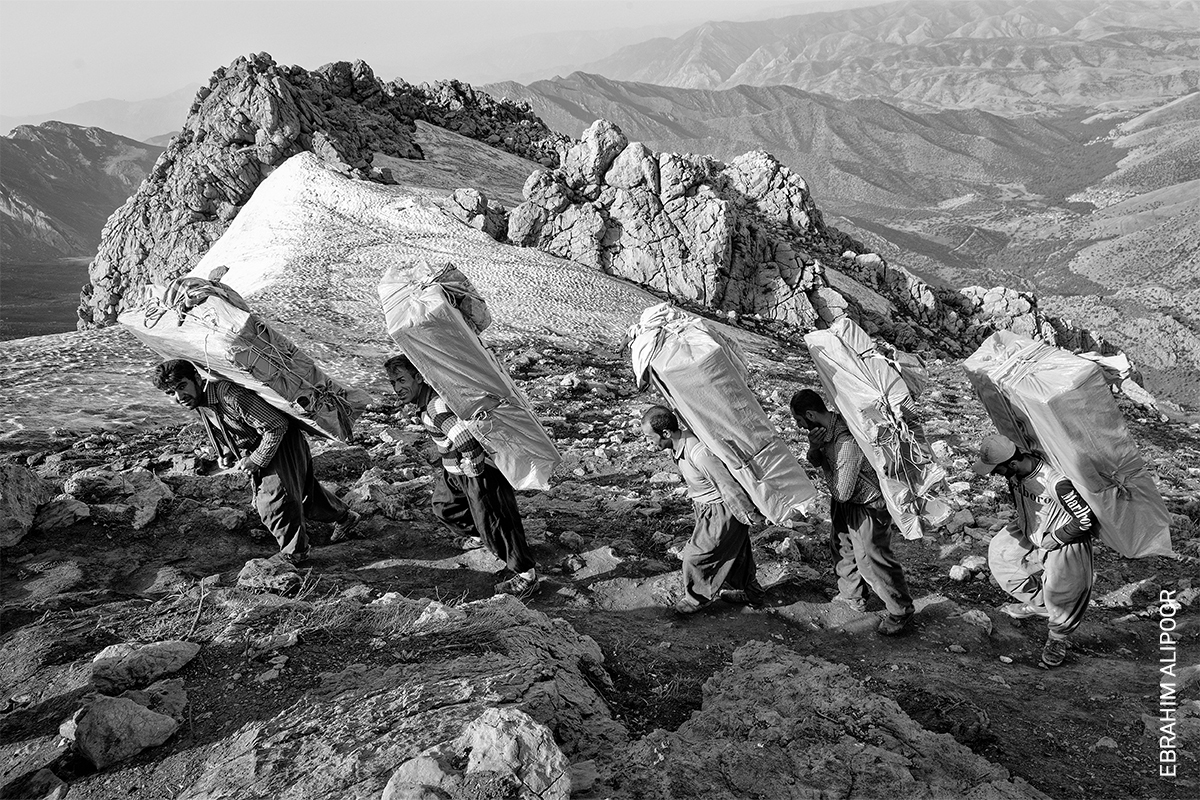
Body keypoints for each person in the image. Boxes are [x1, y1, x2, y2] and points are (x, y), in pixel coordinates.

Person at [154, 359, 359, 564]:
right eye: (171, 393)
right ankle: (345, 518)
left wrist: (256, 460)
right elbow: (229, 428)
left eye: (182, 387)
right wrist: (227, 452)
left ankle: (295, 551)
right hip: (264, 442)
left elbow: (277, 425)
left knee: (275, 501)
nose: (179, 397)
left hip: (282, 441)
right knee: (304, 491)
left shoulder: (230, 396)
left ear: (197, 379)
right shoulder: (200, 401)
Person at [383, 354, 539, 598]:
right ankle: (480, 536)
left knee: (496, 521)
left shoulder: (435, 406)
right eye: (393, 383)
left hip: (478, 471)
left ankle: (526, 576)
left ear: (419, 377)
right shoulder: (425, 404)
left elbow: (466, 441)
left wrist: (475, 471)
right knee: (445, 506)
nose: (397, 388)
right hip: (455, 472)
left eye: (401, 380)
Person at [790, 389, 915, 635]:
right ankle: (852, 595)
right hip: (846, 500)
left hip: (866, 505)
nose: (799, 426)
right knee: (842, 548)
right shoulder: (827, 429)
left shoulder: (845, 443)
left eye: (799, 421)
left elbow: (842, 492)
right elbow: (816, 461)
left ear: (810, 414)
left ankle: (900, 610)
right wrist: (814, 447)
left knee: (872, 558)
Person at [973, 433, 1096, 668]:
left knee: (1065, 590)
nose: (994, 475)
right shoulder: (1017, 472)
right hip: (1030, 527)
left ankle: (1058, 638)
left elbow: (1085, 518)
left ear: (1012, 463)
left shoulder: (1056, 483)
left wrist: (1057, 538)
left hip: (1062, 536)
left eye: (996, 470)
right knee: (1001, 556)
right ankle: (1040, 604)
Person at [640, 405, 767, 614]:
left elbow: (726, 485)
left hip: (722, 511)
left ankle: (696, 599)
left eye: (649, 437)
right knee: (737, 555)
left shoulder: (699, 453)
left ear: (665, 433)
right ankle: (752, 594)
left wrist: (748, 515)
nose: (647, 442)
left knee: (695, 555)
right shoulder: (677, 445)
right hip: (706, 509)